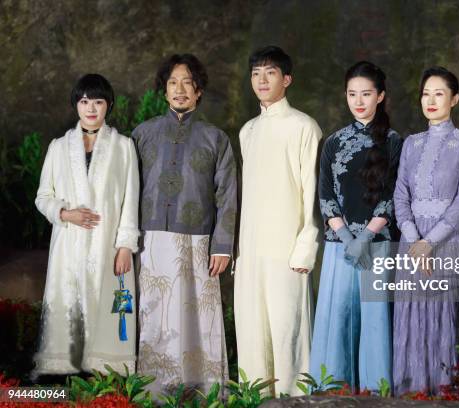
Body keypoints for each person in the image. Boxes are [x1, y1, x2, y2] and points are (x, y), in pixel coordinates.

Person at [133, 54, 237, 395]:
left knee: (197, 321)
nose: (180, 90)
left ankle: (203, 392)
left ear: (199, 91)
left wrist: (222, 246)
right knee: (155, 318)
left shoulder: (215, 139)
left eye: (187, 82)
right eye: (173, 82)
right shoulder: (142, 134)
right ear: (164, 90)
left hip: (199, 244)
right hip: (150, 242)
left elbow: (228, 197)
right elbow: (127, 191)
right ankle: (154, 392)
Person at [33, 74, 139, 375]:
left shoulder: (123, 147)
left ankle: (106, 374)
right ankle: (63, 373)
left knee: (108, 307)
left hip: (108, 246)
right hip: (68, 245)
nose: (90, 108)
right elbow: (43, 196)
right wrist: (65, 213)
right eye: (83, 101)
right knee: (67, 305)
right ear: (75, 105)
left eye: (98, 101)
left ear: (108, 106)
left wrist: (124, 246)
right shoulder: (58, 147)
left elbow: (130, 201)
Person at [234, 45, 322, 396]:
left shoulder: (303, 126)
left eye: (270, 72)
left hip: (288, 248)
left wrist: (306, 246)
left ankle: (295, 399)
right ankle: (253, 398)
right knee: (253, 330)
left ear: (287, 79)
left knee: (289, 330)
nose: (261, 79)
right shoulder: (248, 131)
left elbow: (311, 192)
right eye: (256, 73)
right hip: (252, 250)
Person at [310, 61, 402, 391]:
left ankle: (376, 390)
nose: (358, 100)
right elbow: (325, 194)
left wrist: (365, 236)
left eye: (366, 93)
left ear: (380, 96)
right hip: (339, 247)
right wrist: (348, 237)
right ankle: (332, 389)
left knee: (376, 319)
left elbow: (392, 195)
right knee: (337, 317)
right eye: (352, 94)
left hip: (377, 245)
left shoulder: (393, 142)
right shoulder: (333, 142)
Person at [393, 67, 459, 396]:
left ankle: (448, 394)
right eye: (426, 93)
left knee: (445, 317)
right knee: (412, 318)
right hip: (411, 247)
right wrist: (414, 241)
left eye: (439, 93)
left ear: (454, 99)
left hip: (447, 243)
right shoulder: (411, 144)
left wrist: (430, 242)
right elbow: (400, 196)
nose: (431, 100)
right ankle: (412, 393)